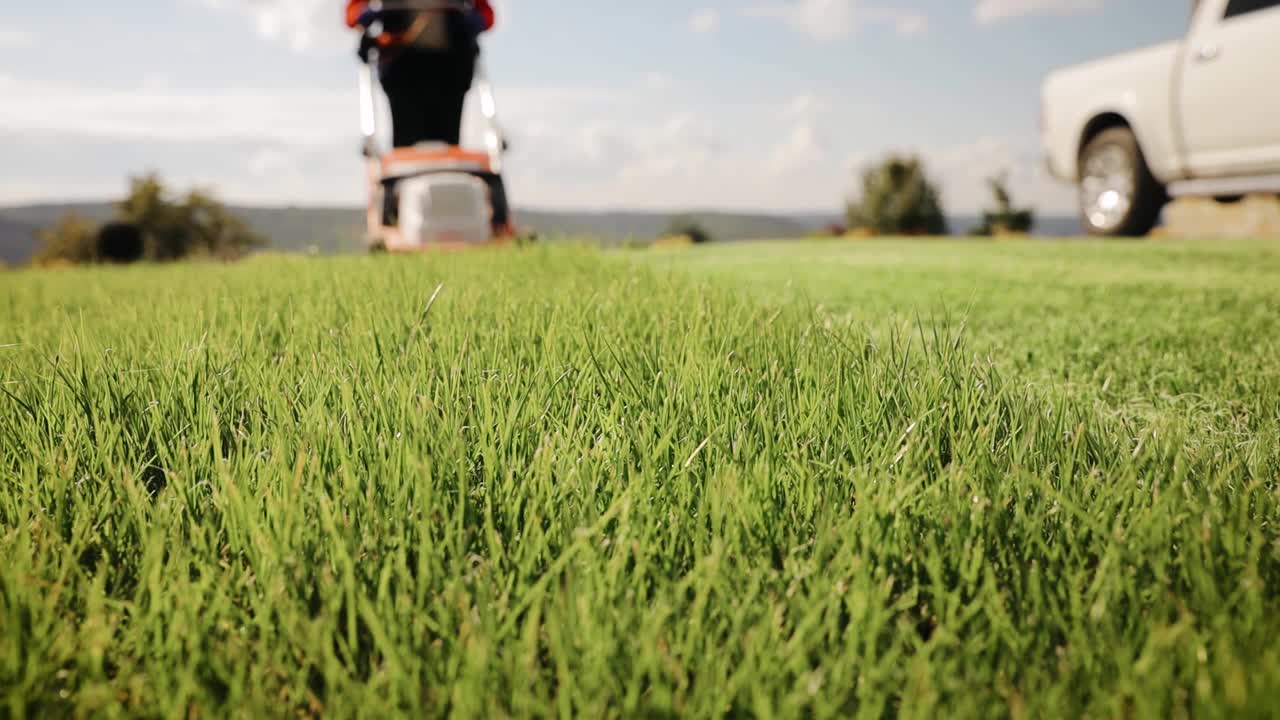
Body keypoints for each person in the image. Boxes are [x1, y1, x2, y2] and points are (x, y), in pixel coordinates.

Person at [346, 0, 495, 148]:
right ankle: (404, 158)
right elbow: (353, 14)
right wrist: (365, 13)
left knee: (448, 134)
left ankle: (449, 159)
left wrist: (476, 19)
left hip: (451, 68)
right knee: (406, 132)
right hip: (401, 68)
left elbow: (486, 15)